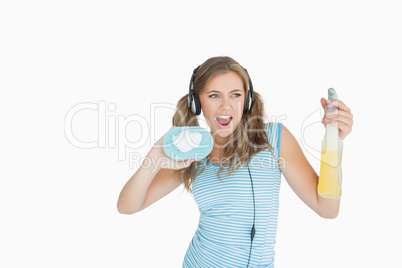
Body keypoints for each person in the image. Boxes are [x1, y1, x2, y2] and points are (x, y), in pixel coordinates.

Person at [117, 56, 354, 267]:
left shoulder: (274, 138)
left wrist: (333, 142)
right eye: (213, 96)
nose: (226, 106)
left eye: (236, 95)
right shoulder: (194, 150)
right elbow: (128, 206)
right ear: (196, 102)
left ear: (247, 100)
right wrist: (154, 157)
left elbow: (328, 209)